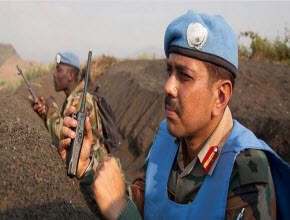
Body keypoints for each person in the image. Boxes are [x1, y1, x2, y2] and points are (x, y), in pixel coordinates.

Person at [59, 10, 290, 220]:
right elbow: (137, 206)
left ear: (220, 96)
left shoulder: (246, 169)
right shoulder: (166, 140)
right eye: (169, 71)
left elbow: (122, 210)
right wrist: (86, 170)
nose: (168, 86)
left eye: (185, 76)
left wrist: (120, 209)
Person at [33, 51, 108, 179]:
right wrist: (48, 111)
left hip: (97, 170)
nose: (54, 75)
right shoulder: (73, 99)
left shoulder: (80, 101)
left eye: (58, 70)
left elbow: (67, 138)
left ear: (70, 75)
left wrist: (50, 111)